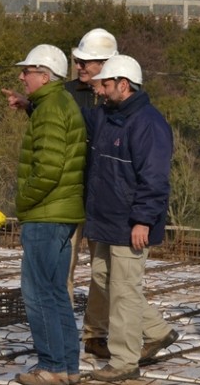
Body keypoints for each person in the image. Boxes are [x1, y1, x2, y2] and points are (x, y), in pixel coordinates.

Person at [83, 55, 178, 383]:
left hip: (129, 225)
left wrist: (142, 220)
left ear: (124, 85)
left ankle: (124, 361)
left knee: (124, 290)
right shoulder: (108, 117)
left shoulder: (148, 123)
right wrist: (32, 106)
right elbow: (75, 117)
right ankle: (156, 330)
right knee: (104, 279)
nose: (101, 90)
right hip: (107, 221)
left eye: (106, 85)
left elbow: (154, 178)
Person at [7, 44, 87, 385]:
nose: (22, 77)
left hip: (45, 214)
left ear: (44, 75)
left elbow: (50, 167)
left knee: (38, 293)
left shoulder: (52, 108)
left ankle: (52, 367)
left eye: (27, 72)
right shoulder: (55, 104)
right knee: (55, 292)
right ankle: (67, 367)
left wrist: (24, 202)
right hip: (61, 213)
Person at [66, 28, 117, 361]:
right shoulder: (67, 93)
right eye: (78, 60)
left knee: (103, 270)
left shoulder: (120, 100)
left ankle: (96, 334)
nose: (80, 66)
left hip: (103, 197)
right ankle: (63, 332)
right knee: (62, 267)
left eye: (86, 61)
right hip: (70, 193)